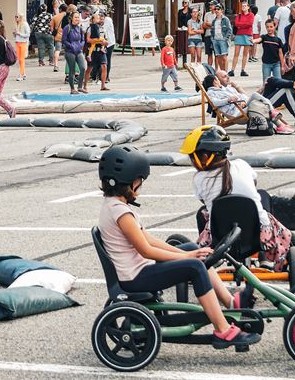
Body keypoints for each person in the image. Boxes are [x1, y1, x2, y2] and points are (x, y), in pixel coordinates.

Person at [97, 144, 260, 349]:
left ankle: (230, 302)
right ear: (127, 183)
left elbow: (150, 240)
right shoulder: (121, 213)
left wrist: (190, 252)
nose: (140, 186)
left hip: (139, 270)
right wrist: (188, 259)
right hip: (135, 277)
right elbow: (146, 250)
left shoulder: (116, 206)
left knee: (191, 250)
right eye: (139, 182)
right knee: (195, 267)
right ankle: (222, 330)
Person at [180, 125, 292, 272]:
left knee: (202, 212)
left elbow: (206, 203)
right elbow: (254, 184)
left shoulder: (199, 179)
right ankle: (264, 254)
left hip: (221, 239)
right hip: (256, 237)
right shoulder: (241, 165)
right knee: (262, 195)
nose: (192, 162)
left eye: (192, 157)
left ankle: (211, 254)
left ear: (205, 157)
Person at [62, 10, 87, 94]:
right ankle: (72, 89)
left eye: (78, 17)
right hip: (70, 52)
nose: (77, 19)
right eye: (75, 17)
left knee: (83, 68)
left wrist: (81, 45)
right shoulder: (67, 27)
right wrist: (71, 46)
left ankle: (80, 87)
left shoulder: (80, 28)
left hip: (79, 51)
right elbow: (64, 40)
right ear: (71, 18)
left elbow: (83, 39)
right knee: (72, 71)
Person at [85, 12, 108, 91]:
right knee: (89, 68)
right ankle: (84, 85)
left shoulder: (103, 29)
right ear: (93, 20)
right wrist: (99, 41)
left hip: (101, 51)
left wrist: (104, 43)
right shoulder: (90, 28)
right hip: (93, 51)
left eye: (100, 19)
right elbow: (88, 40)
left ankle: (103, 85)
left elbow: (106, 40)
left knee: (104, 66)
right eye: (97, 18)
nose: (99, 20)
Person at [229, 2, 254, 76]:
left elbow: (250, 23)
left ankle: (243, 70)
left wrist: (241, 25)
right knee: (236, 53)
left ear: (248, 7)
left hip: (247, 34)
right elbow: (236, 24)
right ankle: (232, 70)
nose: (243, 7)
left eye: (245, 6)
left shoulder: (251, 15)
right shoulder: (239, 15)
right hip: (239, 34)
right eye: (242, 6)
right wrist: (244, 25)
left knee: (245, 54)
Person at [211, 4, 232, 71]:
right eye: (215, 9)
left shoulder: (225, 19)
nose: (216, 10)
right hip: (215, 40)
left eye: (218, 9)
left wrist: (225, 39)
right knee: (218, 57)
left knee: (224, 57)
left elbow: (229, 30)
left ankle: (226, 72)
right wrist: (213, 39)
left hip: (223, 40)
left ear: (222, 10)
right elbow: (212, 31)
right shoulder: (214, 21)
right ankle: (222, 72)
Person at [13, 13, 30, 81]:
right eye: (15, 17)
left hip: (23, 43)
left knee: (21, 59)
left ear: (20, 17)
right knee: (19, 60)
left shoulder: (25, 24)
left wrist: (19, 33)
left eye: (17, 17)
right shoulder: (16, 25)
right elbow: (16, 36)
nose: (16, 18)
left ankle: (21, 75)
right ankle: (23, 73)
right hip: (17, 42)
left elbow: (28, 34)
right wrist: (14, 34)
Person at [51, 3, 68, 72]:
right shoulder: (68, 16)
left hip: (58, 36)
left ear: (60, 9)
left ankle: (56, 65)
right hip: (67, 36)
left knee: (57, 50)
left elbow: (51, 28)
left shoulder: (55, 17)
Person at [202, 0, 218, 68]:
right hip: (207, 35)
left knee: (216, 54)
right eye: (210, 5)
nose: (210, 6)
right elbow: (204, 25)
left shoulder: (218, 14)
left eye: (212, 5)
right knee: (209, 54)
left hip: (215, 36)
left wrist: (209, 24)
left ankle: (217, 69)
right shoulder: (207, 14)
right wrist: (212, 25)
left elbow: (217, 25)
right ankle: (210, 69)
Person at [102, 10, 116, 82]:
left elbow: (103, 29)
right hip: (103, 42)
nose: (101, 18)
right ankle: (102, 76)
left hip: (109, 43)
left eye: (102, 16)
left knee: (107, 59)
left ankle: (106, 77)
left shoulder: (108, 20)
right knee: (102, 60)